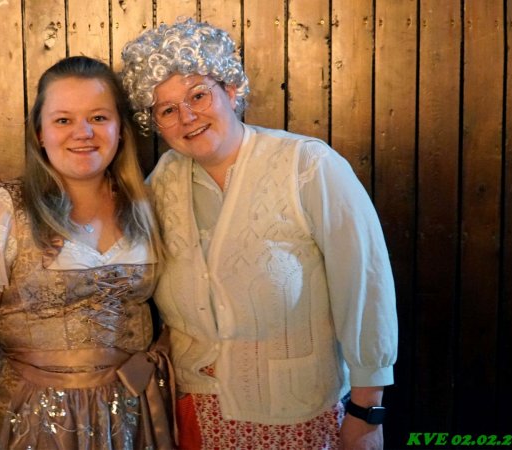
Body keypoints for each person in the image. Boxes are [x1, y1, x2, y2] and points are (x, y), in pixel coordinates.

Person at [120, 19, 398, 450]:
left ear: (230, 90)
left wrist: (367, 413)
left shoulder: (308, 166)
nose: (187, 117)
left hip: (299, 417)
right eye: (167, 109)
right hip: (192, 416)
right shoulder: (162, 183)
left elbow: (366, 288)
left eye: (198, 95)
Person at [0, 56, 174, 449]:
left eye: (99, 118)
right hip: (33, 423)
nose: (83, 133)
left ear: (120, 131)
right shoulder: (1, 210)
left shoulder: (147, 205)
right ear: (40, 134)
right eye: (63, 120)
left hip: (134, 420)